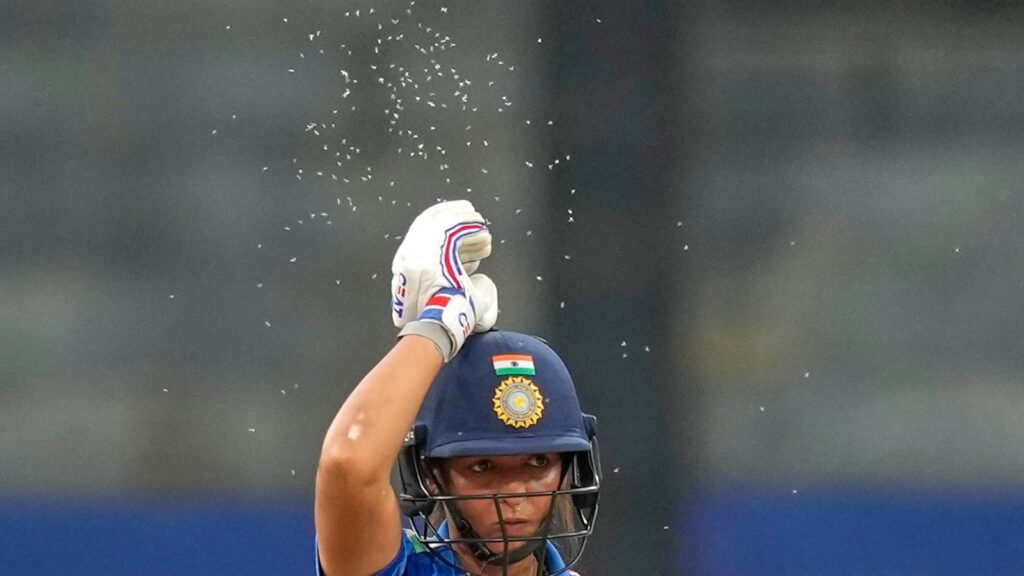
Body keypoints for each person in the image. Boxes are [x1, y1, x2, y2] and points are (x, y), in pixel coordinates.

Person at [315, 200, 601, 576]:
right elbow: (348, 465)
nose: (515, 494)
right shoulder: (406, 570)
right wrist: (439, 324)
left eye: (538, 463)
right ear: (431, 473)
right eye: (482, 466)